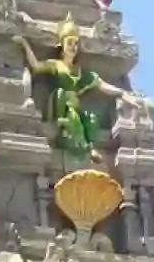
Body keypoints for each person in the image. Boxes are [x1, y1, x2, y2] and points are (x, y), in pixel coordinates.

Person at [14, 14, 143, 165]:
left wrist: (124, 94)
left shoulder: (80, 73)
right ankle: (88, 149)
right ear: (62, 45)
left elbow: (102, 85)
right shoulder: (56, 65)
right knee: (72, 116)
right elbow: (36, 65)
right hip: (60, 103)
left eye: (75, 43)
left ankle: (84, 143)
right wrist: (24, 44)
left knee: (91, 120)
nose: (73, 47)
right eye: (70, 43)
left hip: (74, 105)